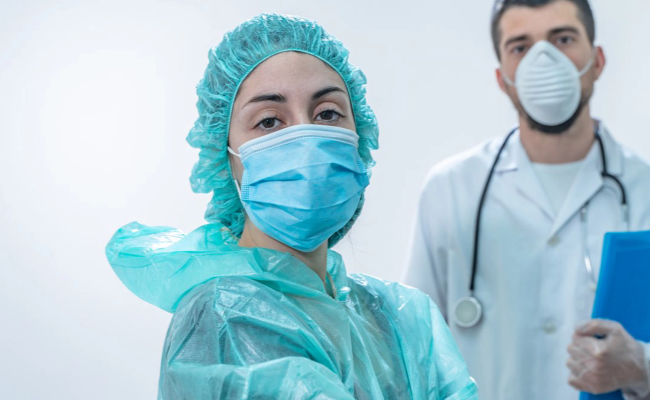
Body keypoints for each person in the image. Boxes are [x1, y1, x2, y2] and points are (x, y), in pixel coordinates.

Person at [106, 13, 477, 400]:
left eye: (328, 114)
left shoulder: (400, 317)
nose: (305, 138)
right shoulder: (227, 318)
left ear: (359, 137)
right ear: (226, 156)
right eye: (269, 121)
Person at [404, 1, 650, 399]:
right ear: (502, 78)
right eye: (520, 47)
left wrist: (642, 364)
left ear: (596, 61)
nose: (543, 59)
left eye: (562, 39)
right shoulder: (450, 189)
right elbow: (414, 345)